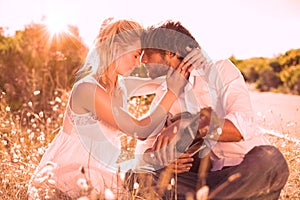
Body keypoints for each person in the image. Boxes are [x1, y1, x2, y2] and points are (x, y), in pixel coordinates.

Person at [27, 18, 191, 199]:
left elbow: (162, 80)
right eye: (135, 55)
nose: (138, 63)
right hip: (68, 175)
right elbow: (140, 129)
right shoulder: (87, 89)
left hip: (101, 173)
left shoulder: (118, 87)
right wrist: (172, 93)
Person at [126, 20, 289, 199]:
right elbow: (144, 152)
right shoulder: (165, 92)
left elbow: (239, 129)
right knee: (136, 176)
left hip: (246, 170)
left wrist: (187, 125)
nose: (142, 61)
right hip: (204, 182)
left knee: (271, 159)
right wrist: (162, 161)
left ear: (170, 52)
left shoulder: (221, 69)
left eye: (148, 53)